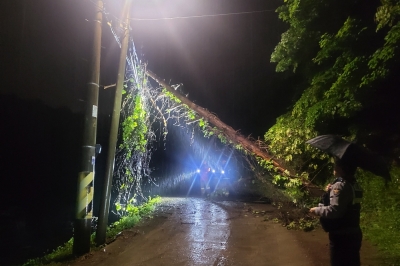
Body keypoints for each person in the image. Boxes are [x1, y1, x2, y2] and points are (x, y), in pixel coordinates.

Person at [309, 158, 363, 266]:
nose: (334, 167)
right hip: (354, 232)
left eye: (336, 165)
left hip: (341, 236)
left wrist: (316, 210)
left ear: (341, 168)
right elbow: (347, 203)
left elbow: (335, 210)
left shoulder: (340, 185)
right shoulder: (355, 184)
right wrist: (330, 192)